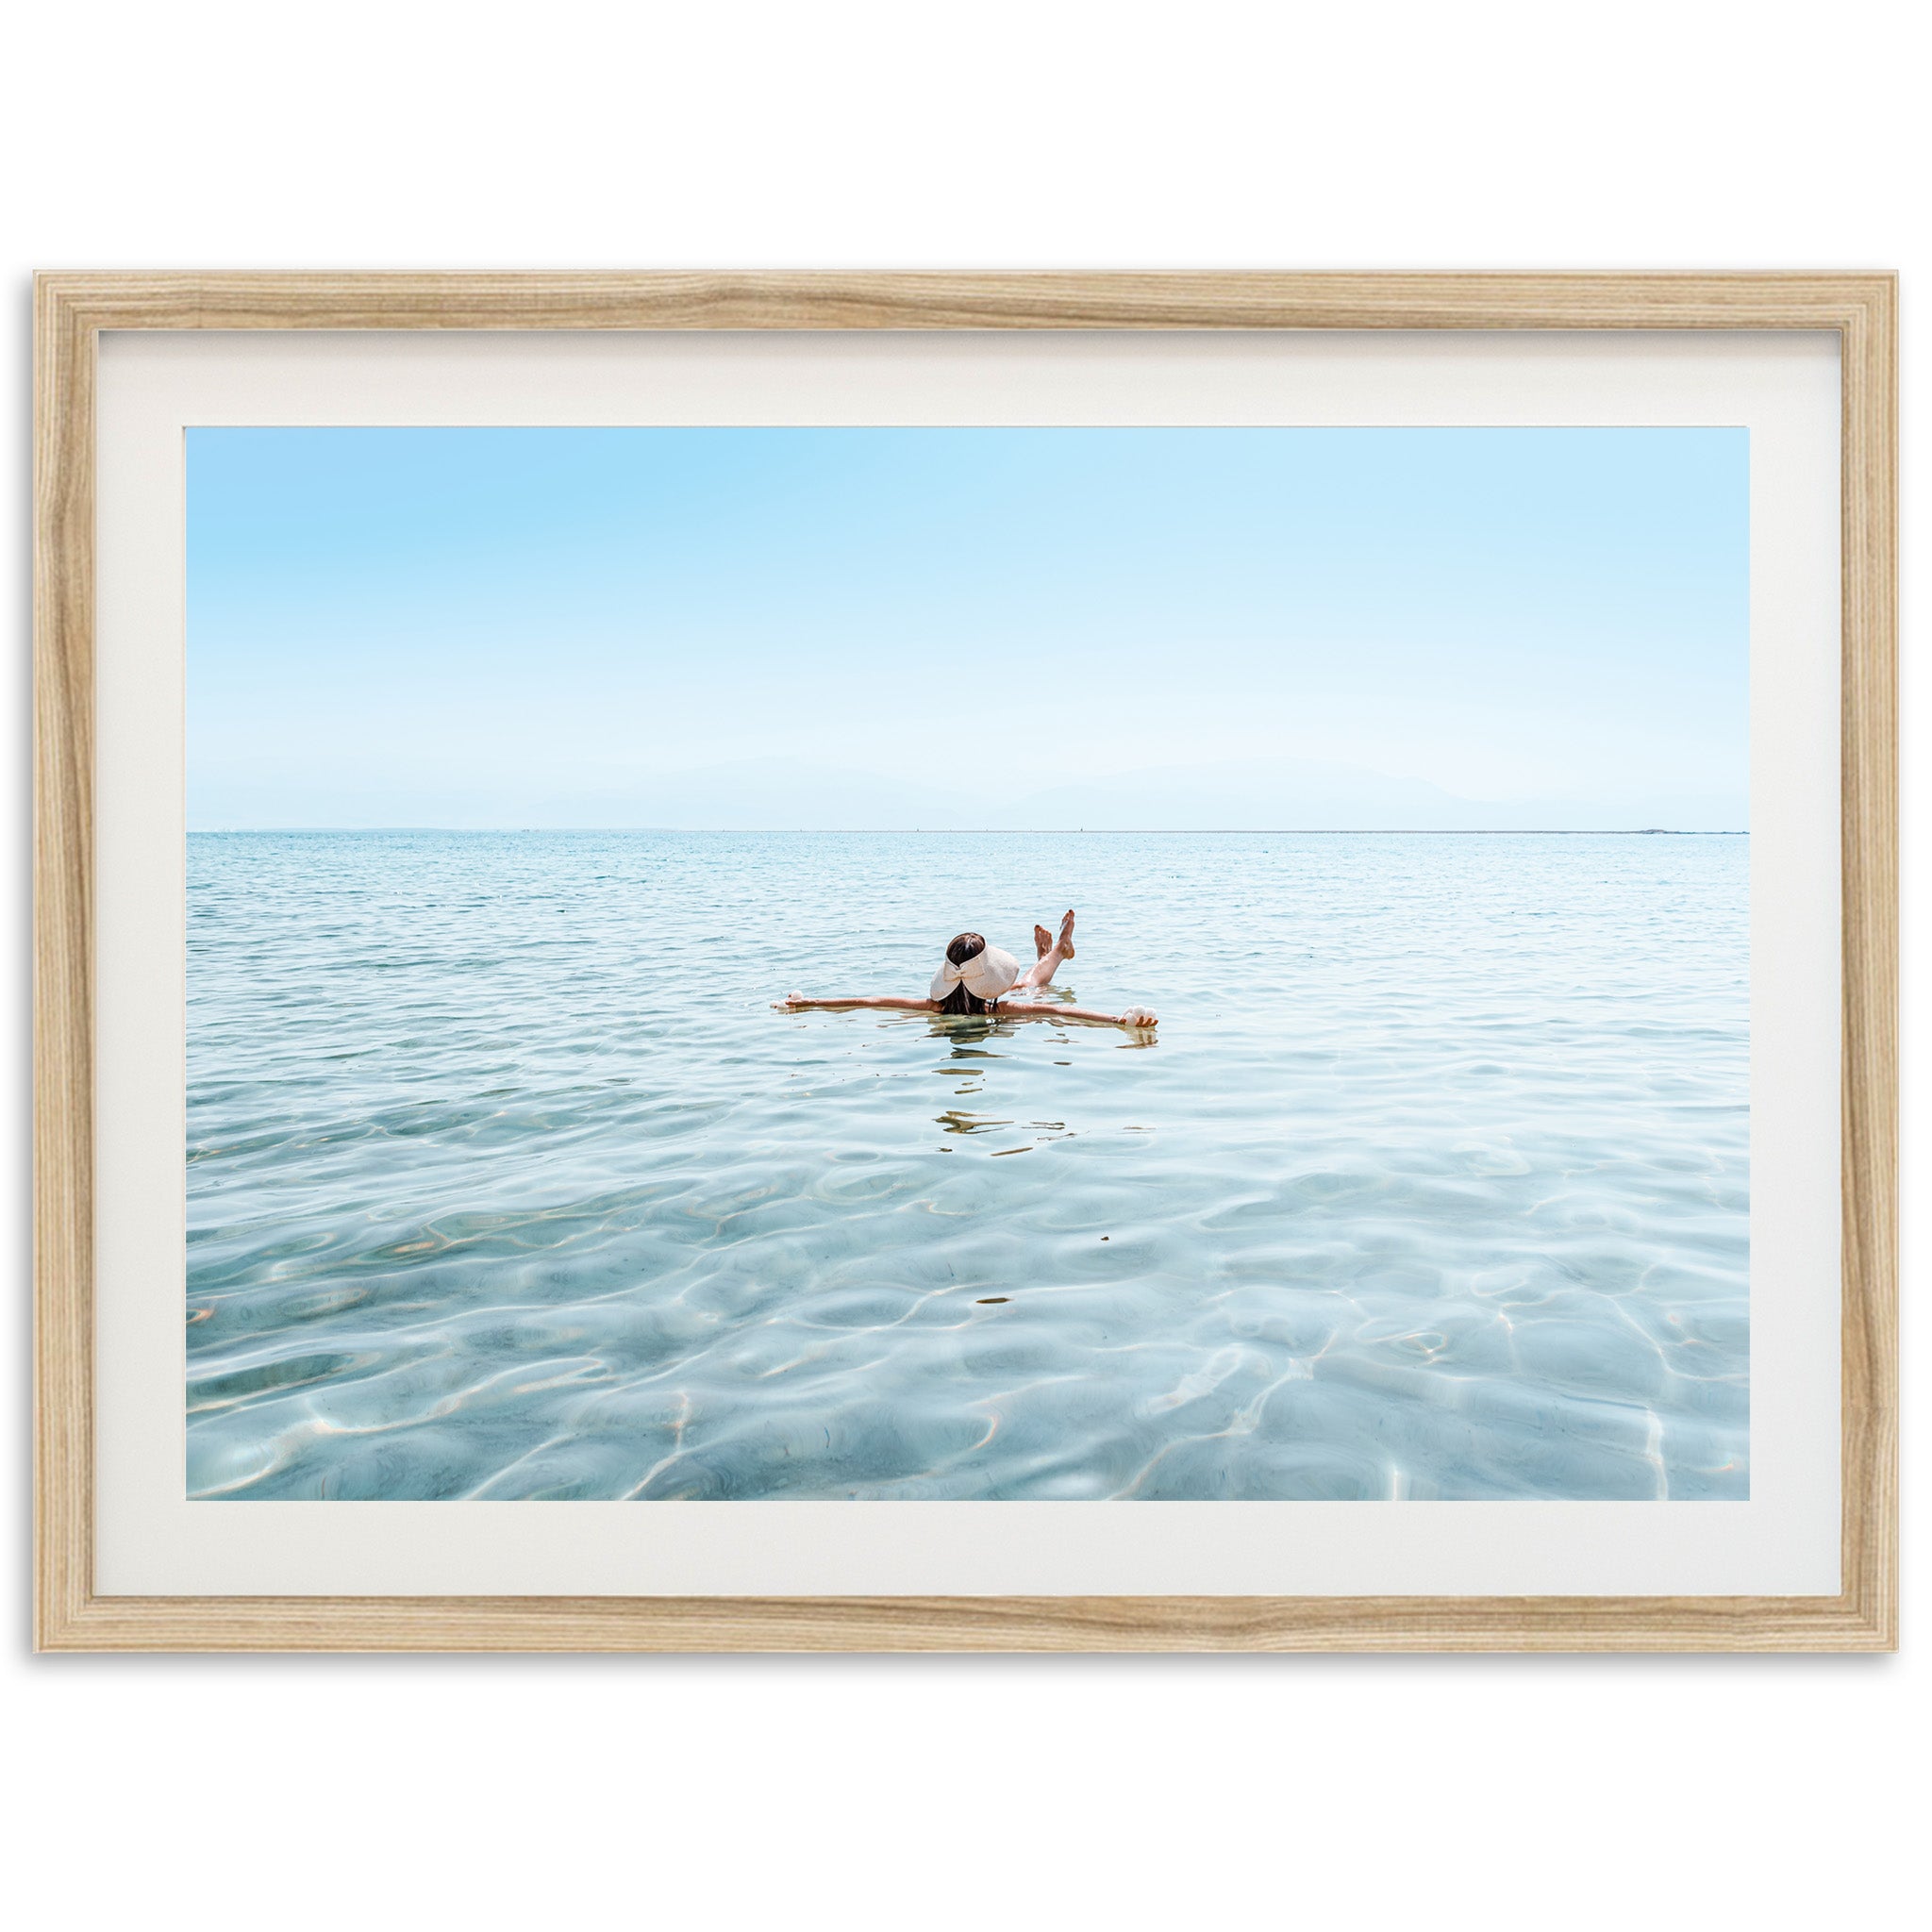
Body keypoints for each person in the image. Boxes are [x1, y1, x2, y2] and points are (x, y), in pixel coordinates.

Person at [774, 909, 1158, 1030]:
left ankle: (1056, 950)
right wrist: (1117, 1020)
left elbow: (869, 1002)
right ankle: (1057, 949)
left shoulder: (933, 1008)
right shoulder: (1003, 1009)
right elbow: (1061, 1011)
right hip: (1004, 1011)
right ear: (988, 974)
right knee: (1028, 986)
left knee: (1029, 985)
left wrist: (807, 1004)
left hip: (990, 1008)